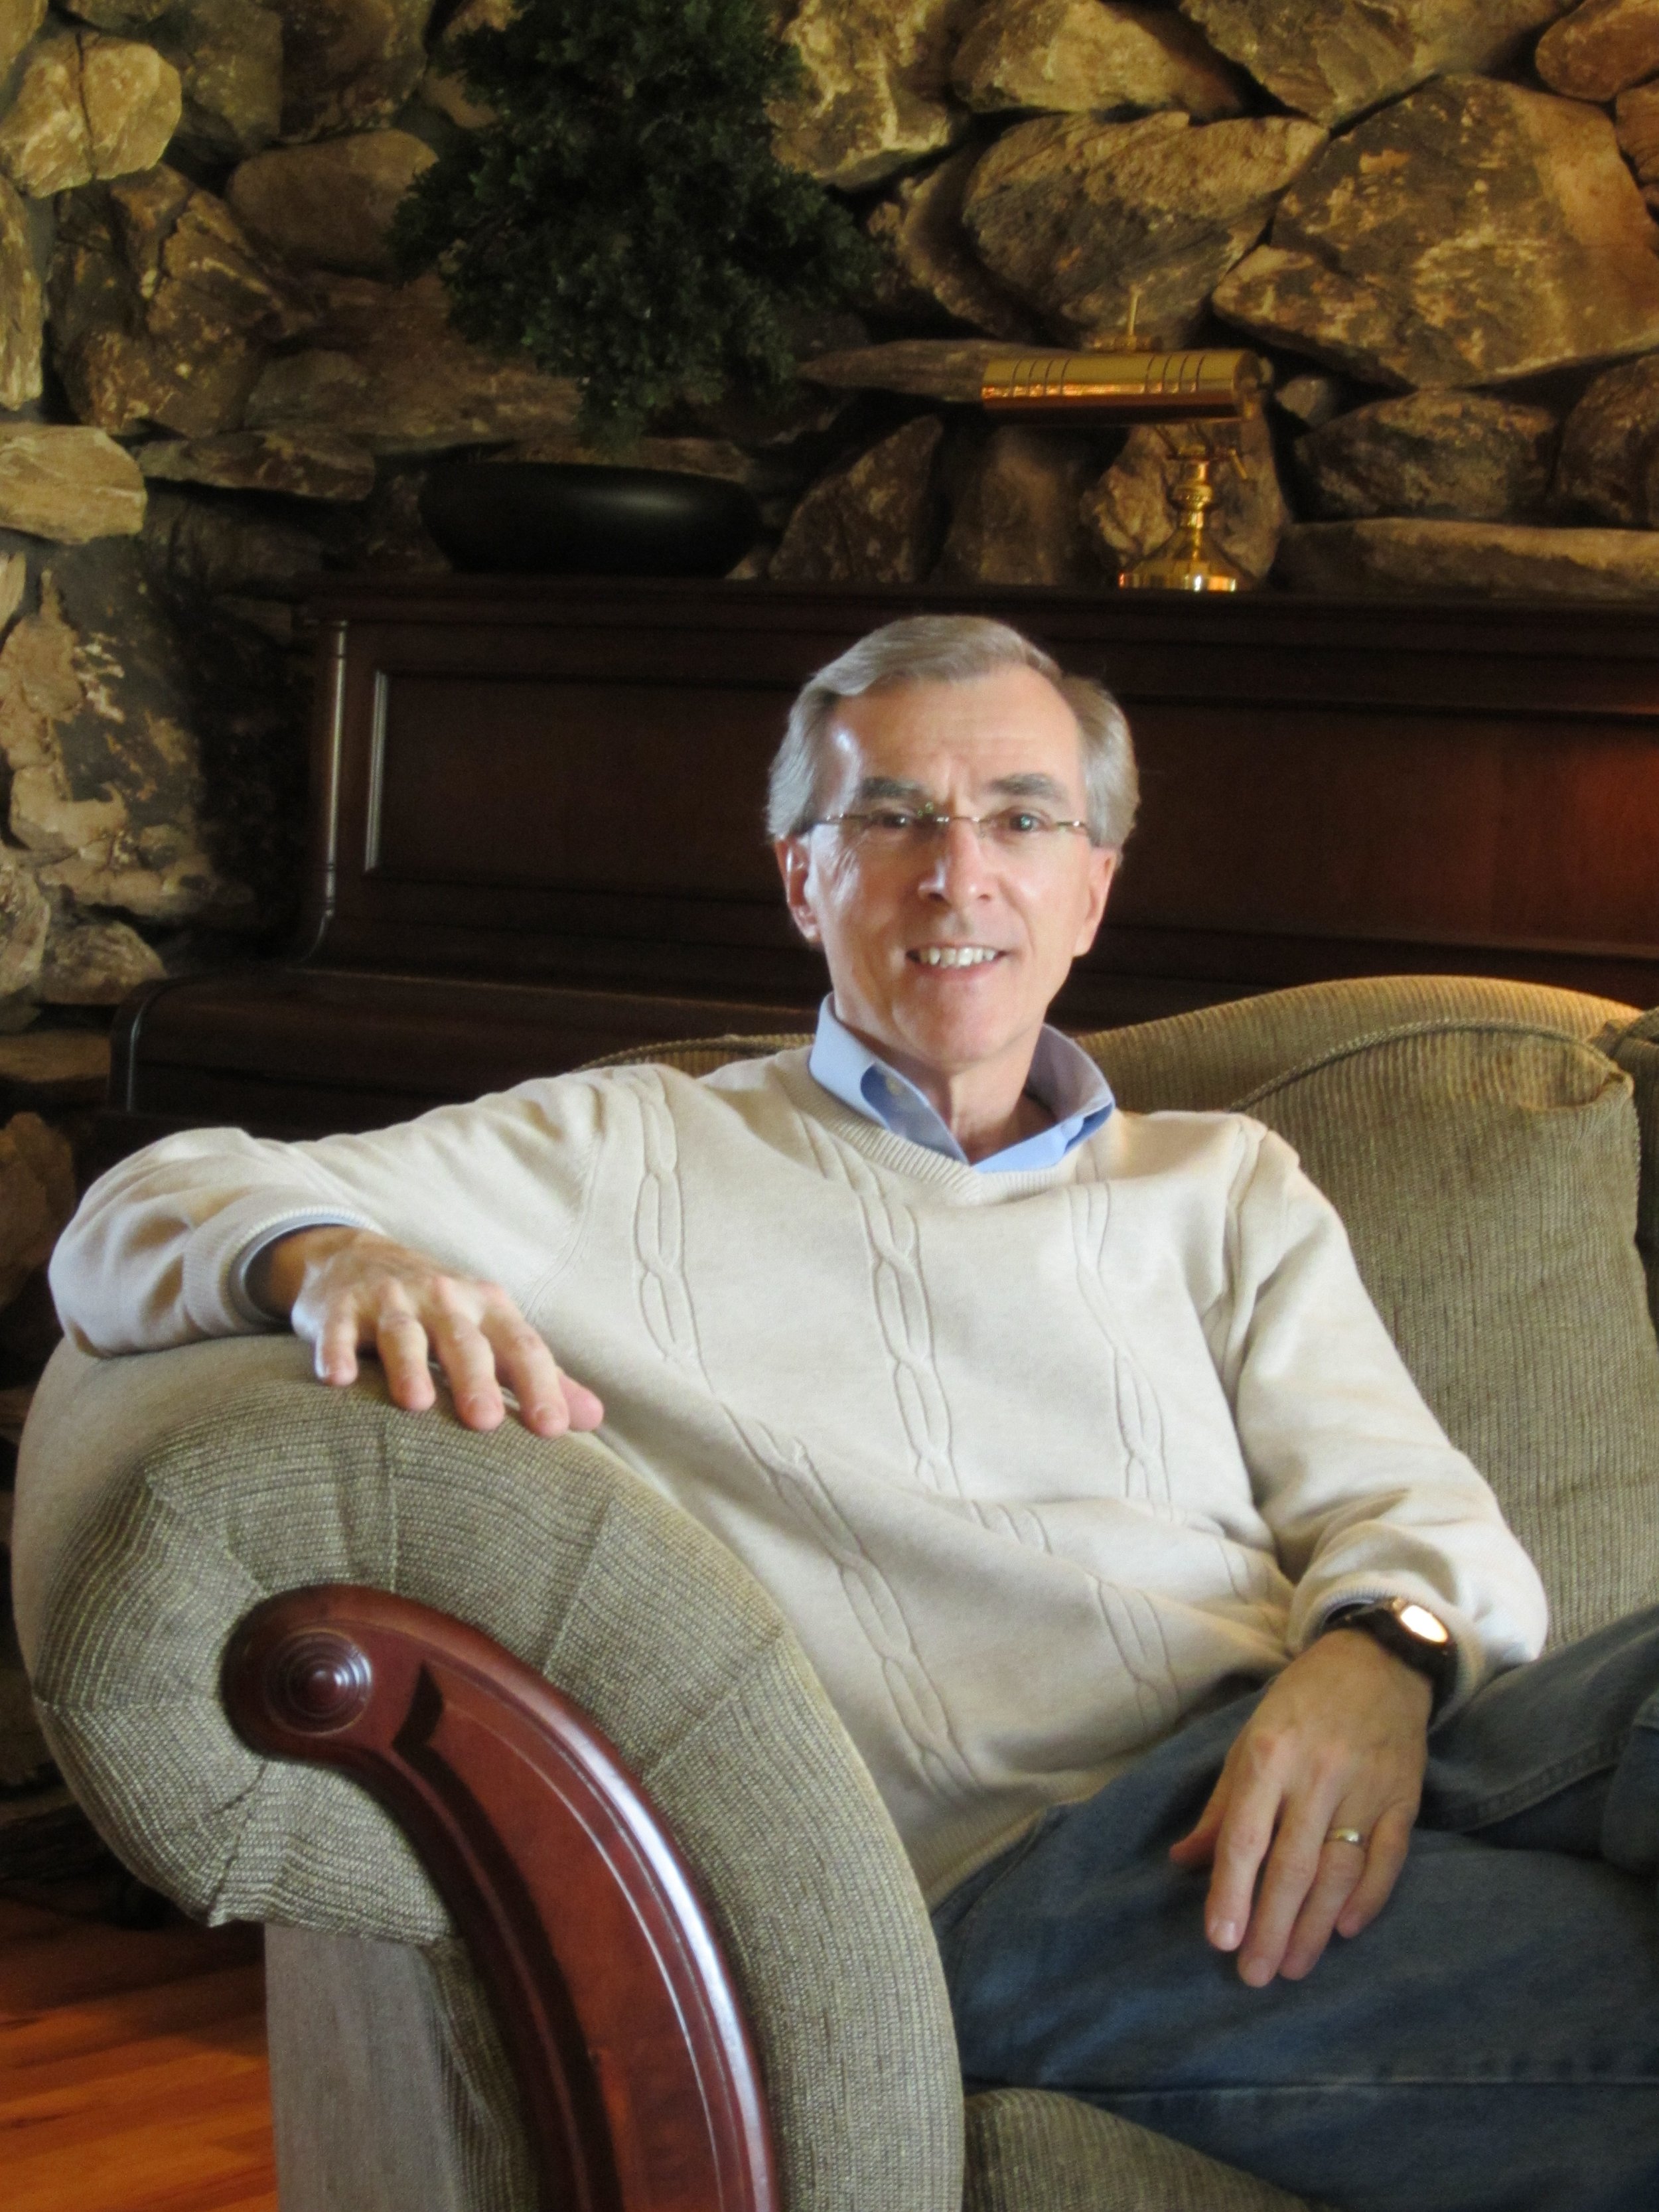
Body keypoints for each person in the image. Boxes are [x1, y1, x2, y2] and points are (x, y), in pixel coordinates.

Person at [50, 617, 1659, 2211]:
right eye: (889, 816)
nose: (958, 874)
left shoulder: (1221, 1183)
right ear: (800, 875)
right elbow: (138, 1204)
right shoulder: (625, 1150)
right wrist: (331, 1253)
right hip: (1062, 1877)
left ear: (1090, 882)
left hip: (1360, 1736)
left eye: (1022, 817)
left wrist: (1378, 1652)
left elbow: (1416, 1506)